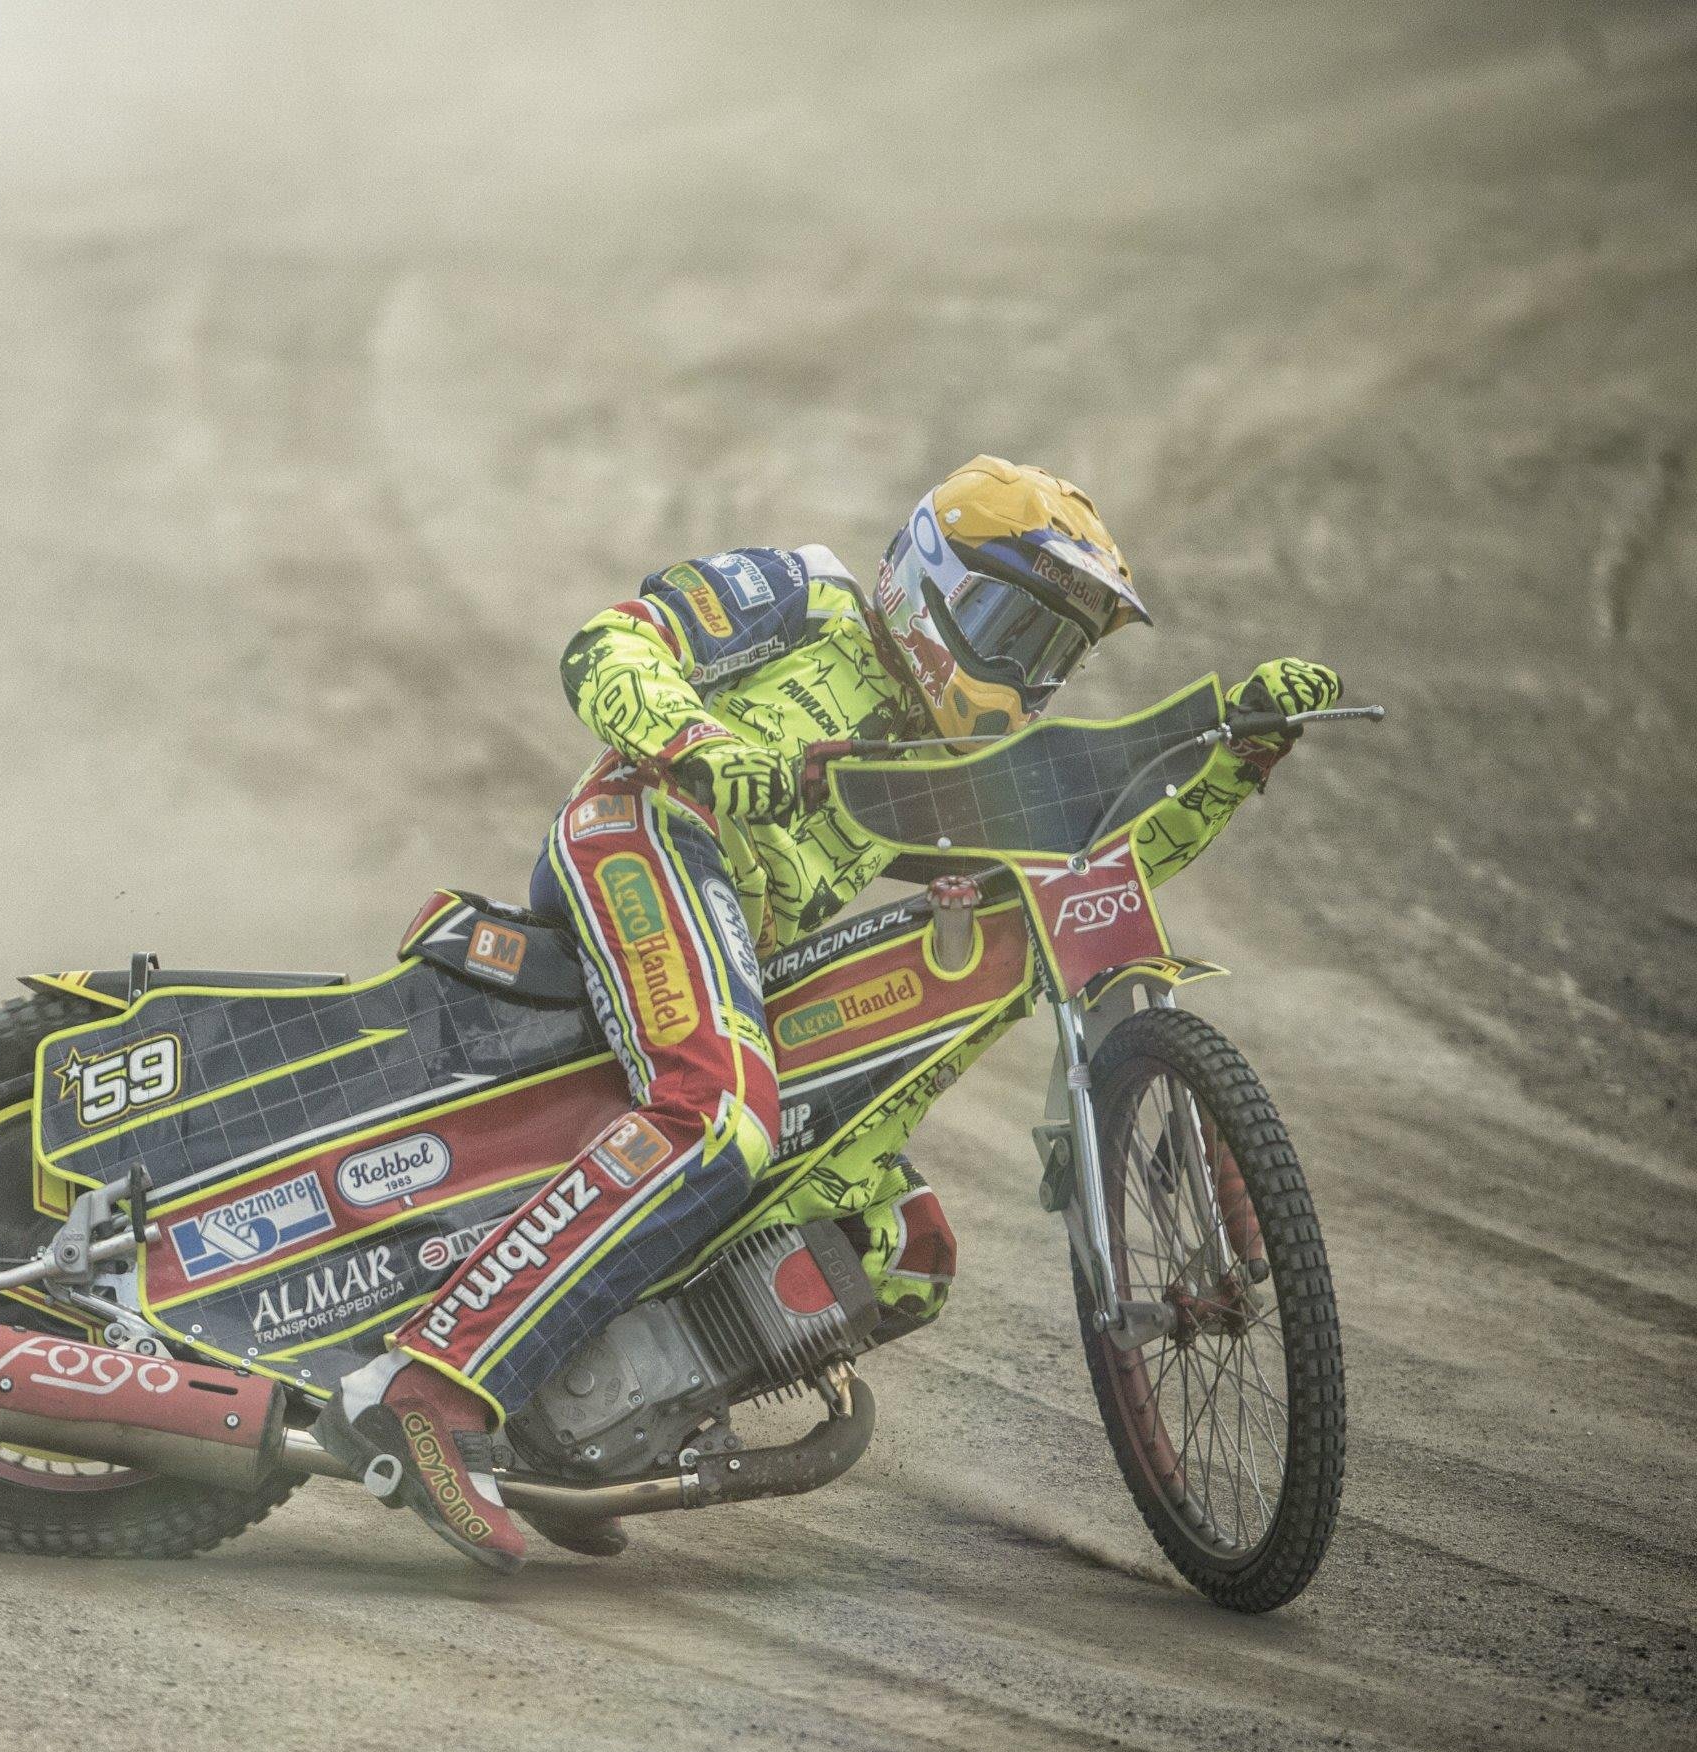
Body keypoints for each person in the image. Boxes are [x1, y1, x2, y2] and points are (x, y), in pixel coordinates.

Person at [318, 456, 1341, 1570]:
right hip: (649, 834)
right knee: (721, 1119)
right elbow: (608, 644)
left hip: (741, 945)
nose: (1024, 673)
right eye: (1010, 629)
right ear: (930, 581)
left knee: (898, 1246)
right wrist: (702, 745)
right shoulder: (802, 595)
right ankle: (428, 1385)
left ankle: (577, 1431)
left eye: (1052, 652)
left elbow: (1091, 867)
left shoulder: (950, 756)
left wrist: (1232, 762)